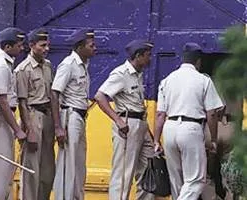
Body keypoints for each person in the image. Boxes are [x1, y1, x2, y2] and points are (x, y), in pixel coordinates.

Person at [153, 43, 224, 200]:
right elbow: (212, 114)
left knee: (176, 180)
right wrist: (213, 139)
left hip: (169, 128)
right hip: (191, 128)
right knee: (196, 180)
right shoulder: (203, 80)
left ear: (183, 59)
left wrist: (156, 141)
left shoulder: (167, 80)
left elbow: (160, 114)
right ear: (198, 61)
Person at [95, 39, 155, 200]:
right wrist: (118, 120)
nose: (150, 59)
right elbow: (100, 97)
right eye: (147, 55)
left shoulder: (138, 74)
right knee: (123, 172)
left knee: (148, 169)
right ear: (138, 56)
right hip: (127, 124)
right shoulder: (121, 74)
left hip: (141, 124)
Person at [0, 27, 28, 200]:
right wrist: (17, 129)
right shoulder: (1, 66)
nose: (22, 48)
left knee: (3, 167)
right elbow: (2, 102)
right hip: (0, 118)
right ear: (8, 47)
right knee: (0, 167)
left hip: (3, 117)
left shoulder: (6, 63)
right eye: (19, 45)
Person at [52, 29, 96, 200]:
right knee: (68, 163)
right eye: (91, 45)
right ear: (80, 47)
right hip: (70, 116)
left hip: (80, 117)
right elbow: (55, 93)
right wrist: (58, 127)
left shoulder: (83, 64)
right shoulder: (69, 64)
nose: (95, 48)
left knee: (78, 163)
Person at [14, 28, 55, 200]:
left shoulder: (48, 66)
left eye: (47, 45)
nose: (46, 49)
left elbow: (52, 95)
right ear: (31, 45)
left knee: (47, 170)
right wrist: (29, 130)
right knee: (31, 169)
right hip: (32, 116)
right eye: (42, 45)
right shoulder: (23, 69)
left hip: (47, 116)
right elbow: (22, 103)